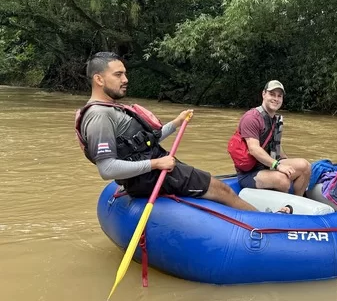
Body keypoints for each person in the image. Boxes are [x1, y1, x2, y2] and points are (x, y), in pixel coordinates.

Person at [75, 52, 258, 211]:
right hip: (151, 176)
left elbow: (144, 142)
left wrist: (176, 123)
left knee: (211, 188)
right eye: (118, 74)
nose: (125, 79)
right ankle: (260, 219)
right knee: (223, 190)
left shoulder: (109, 109)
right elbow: (106, 169)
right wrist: (156, 164)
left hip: (151, 172)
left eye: (125, 74)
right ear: (99, 79)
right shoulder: (100, 115)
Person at [234, 80, 311, 195]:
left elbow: (277, 146)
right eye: (272, 94)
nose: (276, 98)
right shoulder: (251, 118)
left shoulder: (275, 119)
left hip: (269, 165)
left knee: (305, 166)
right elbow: (254, 149)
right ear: (263, 94)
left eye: (279, 96)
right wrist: (278, 166)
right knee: (283, 180)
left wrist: (287, 164)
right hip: (250, 173)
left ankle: (296, 202)